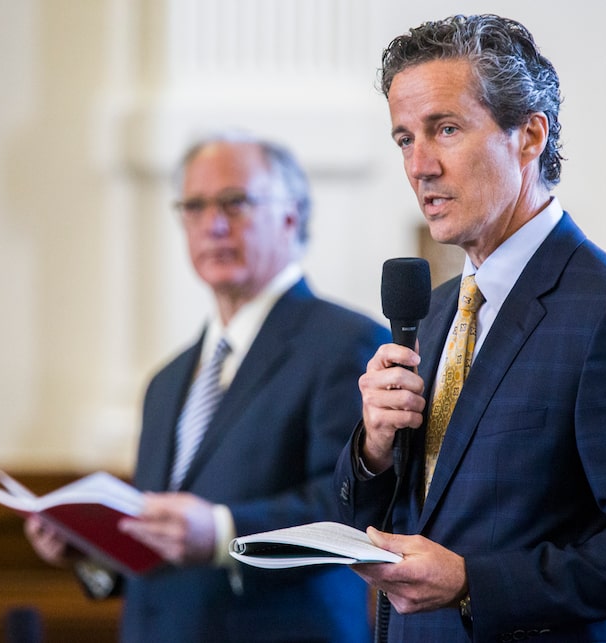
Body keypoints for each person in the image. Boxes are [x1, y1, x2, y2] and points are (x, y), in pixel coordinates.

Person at [333, 14, 606, 642]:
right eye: (403, 139)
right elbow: (396, 519)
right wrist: (372, 449)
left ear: (529, 136)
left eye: (445, 129)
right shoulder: (435, 310)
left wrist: (471, 581)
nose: (419, 165)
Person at [25, 132, 389, 642]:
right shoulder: (167, 380)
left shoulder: (348, 344)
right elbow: (164, 542)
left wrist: (222, 533)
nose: (213, 225)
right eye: (194, 207)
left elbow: (353, 510)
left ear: (291, 214)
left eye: (235, 203)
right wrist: (94, 550)